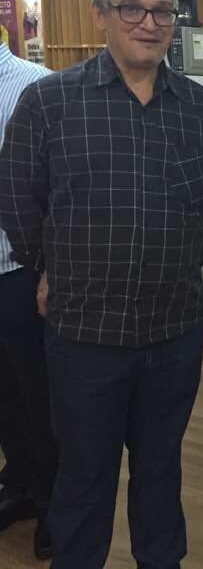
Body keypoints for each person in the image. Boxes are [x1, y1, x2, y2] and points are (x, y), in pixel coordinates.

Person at [0, 0, 203, 568]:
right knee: (83, 477)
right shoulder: (49, 103)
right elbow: (17, 198)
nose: (149, 24)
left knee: (160, 472)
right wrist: (47, 267)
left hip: (173, 329)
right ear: (101, 14)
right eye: (132, 9)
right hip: (84, 333)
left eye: (162, 12)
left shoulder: (201, 110)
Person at [0, 38, 55, 561]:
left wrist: (47, 266)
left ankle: (53, 500)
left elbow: (53, 186)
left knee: (38, 391)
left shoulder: (34, 86)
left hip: (18, 268)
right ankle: (19, 482)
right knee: (3, 394)